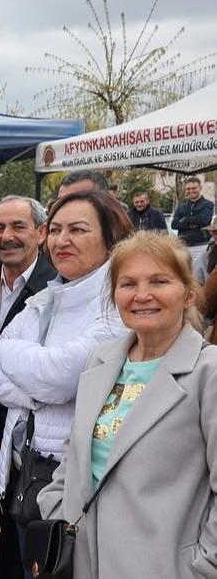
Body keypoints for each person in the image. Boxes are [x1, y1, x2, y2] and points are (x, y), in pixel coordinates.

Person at [37, 231, 217, 576]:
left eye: (159, 281)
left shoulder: (208, 373)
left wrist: (201, 570)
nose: (142, 295)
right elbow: (74, 451)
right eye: (128, 283)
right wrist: (56, 506)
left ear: (189, 294)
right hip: (84, 564)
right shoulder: (102, 360)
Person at [0, 191, 131, 573]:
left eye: (78, 230)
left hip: (74, 483)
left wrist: (19, 361)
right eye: (58, 229)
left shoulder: (117, 305)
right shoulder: (49, 296)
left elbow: (58, 377)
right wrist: (42, 393)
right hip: (22, 472)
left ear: (110, 238)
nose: (62, 240)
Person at [0, 196, 58, 579]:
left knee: (21, 545)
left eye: (18, 227)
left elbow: (46, 375)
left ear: (41, 233)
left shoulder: (55, 287)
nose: (6, 237)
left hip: (25, 445)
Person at [172, 177, 214, 281]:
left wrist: (184, 219)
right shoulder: (181, 206)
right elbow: (174, 224)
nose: (191, 191)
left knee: (200, 278)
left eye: (194, 188)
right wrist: (193, 223)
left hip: (201, 246)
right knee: (184, 276)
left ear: (200, 188)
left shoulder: (208, 204)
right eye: (188, 189)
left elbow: (204, 220)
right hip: (183, 246)